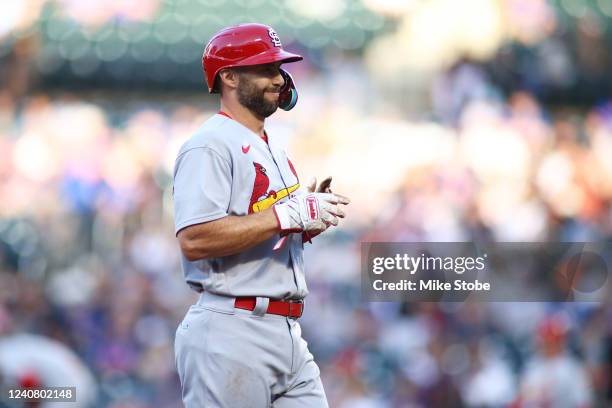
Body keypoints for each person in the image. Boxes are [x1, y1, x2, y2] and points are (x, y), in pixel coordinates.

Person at [172, 23, 350, 407]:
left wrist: (305, 223)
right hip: (230, 329)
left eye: (278, 68)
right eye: (265, 67)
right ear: (229, 77)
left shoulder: (275, 148)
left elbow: (268, 228)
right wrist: (286, 215)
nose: (278, 78)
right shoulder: (209, 145)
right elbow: (194, 239)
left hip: (285, 330)